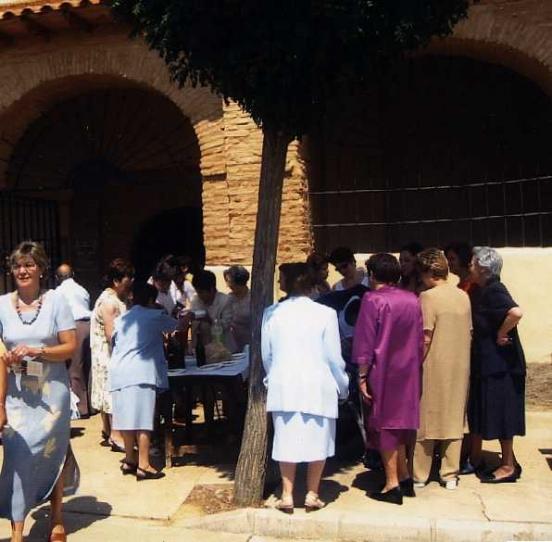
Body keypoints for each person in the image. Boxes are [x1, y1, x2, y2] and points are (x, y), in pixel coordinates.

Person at [0, 241, 79, 542]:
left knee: (51, 452)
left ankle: (57, 517)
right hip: (17, 394)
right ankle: (17, 532)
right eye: (18, 265)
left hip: (51, 395)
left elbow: (70, 347)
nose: (22, 270)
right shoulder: (1, 305)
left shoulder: (56, 301)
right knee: (17, 456)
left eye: (29, 264)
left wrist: (38, 351)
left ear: (41, 269)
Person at [262, 262, 349, 513]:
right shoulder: (325, 314)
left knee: (286, 438)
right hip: (317, 384)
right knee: (318, 439)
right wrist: (343, 385)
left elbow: (267, 354)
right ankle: (312, 492)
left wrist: (272, 376)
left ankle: (287, 494)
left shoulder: (272, 313)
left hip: (284, 383)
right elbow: (334, 356)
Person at [352, 253, 423, 505]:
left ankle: (392, 483)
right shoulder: (412, 299)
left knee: (383, 424)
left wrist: (362, 374)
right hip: (409, 369)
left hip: (383, 371)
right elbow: (419, 338)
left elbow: (365, 340)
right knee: (401, 424)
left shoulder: (373, 300)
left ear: (373, 274)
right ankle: (404, 477)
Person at [110, 283, 189, 481]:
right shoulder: (154, 316)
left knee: (126, 418)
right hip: (140, 372)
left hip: (119, 371)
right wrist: (188, 316)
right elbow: (178, 327)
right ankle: (144, 464)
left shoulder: (121, 319)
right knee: (143, 419)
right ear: (150, 300)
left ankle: (130, 458)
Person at [412, 249, 472, 490]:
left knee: (427, 419)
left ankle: (420, 474)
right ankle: (450, 474)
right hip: (460, 363)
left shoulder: (427, 297)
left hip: (433, 364)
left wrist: (415, 362)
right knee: (454, 417)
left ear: (427, 273)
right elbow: (469, 331)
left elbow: (425, 335)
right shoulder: (463, 296)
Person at [468, 247, 526, 484]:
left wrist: (502, 333)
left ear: (483, 268)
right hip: (491, 363)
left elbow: (516, 312)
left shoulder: (494, 290)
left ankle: (508, 466)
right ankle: (498, 460)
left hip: (502, 366)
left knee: (503, 414)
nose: (469, 267)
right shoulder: (483, 290)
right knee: (491, 412)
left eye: (473, 263)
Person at [90, 258, 134, 452]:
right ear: (116, 281)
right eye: (127, 280)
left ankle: (108, 431)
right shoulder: (109, 303)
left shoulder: (113, 299)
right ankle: (115, 435)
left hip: (107, 354)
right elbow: (111, 335)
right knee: (113, 393)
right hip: (108, 355)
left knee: (107, 391)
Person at [55, 263, 91, 417]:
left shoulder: (58, 292)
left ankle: (81, 407)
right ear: (73, 274)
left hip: (73, 327)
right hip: (89, 325)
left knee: (75, 368)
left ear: (57, 278)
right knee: (88, 366)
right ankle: (92, 405)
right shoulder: (82, 289)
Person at [190, 270, 234, 352]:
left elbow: (226, 325)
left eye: (201, 292)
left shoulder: (225, 300)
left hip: (224, 347)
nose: (199, 295)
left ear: (212, 289)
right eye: (197, 292)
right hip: (202, 347)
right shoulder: (196, 301)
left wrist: (211, 320)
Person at [223, 265, 251, 352]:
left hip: (249, 341)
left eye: (231, 282)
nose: (229, 285)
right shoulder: (229, 298)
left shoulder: (253, 298)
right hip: (232, 342)